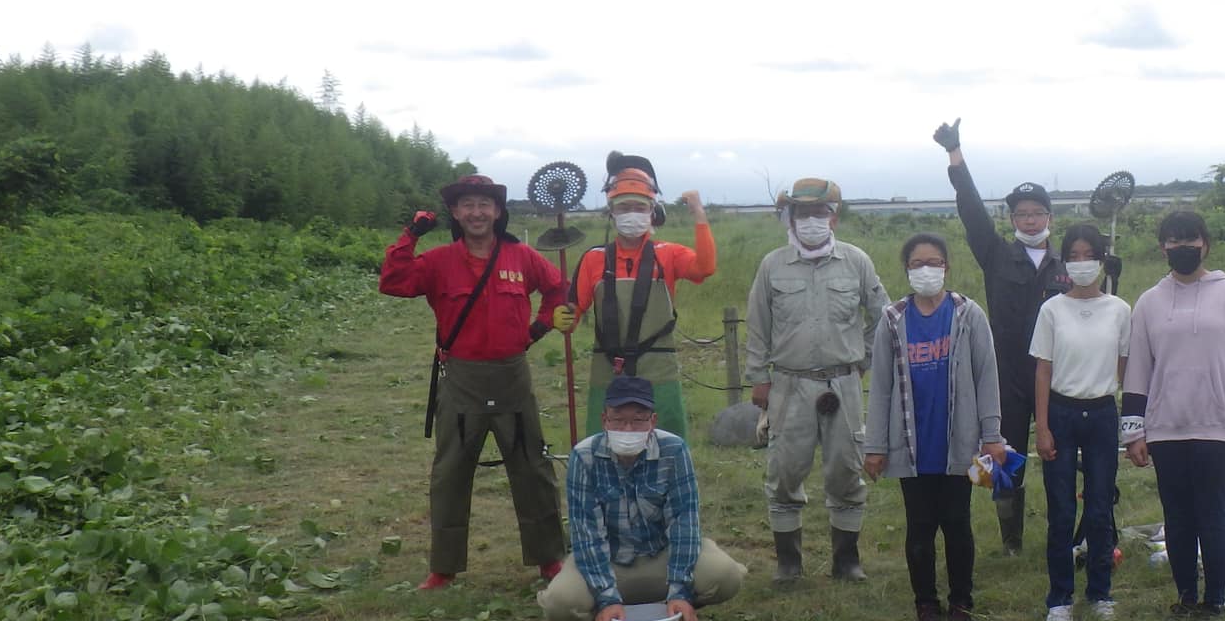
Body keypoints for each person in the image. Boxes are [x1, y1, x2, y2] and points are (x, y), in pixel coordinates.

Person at [379, 174, 576, 591]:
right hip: (462, 380)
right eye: (467, 204)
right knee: (450, 473)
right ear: (455, 212)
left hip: (512, 377)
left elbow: (560, 289)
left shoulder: (521, 257)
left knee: (533, 470)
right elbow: (393, 282)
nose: (477, 212)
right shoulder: (438, 261)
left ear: (498, 211)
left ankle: (549, 559)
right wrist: (411, 235)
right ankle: (444, 567)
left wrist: (539, 328)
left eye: (484, 204)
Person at [1121, 210, 1225, 618]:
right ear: (1162, 247)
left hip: (1218, 424)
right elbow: (1138, 369)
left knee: (1211, 512)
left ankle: (1216, 598)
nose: (1182, 247)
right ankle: (1186, 596)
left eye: (1190, 240)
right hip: (1165, 428)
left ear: (1205, 244)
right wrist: (1134, 431)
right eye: (1174, 240)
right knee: (1178, 516)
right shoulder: (1149, 303)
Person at [934, 118, 1071, 555]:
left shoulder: (1068, 264)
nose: (1030, 220)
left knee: (1061, 455)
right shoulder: (995, 254)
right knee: (1004, 457)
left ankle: (1064, 532)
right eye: (1022, 214)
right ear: (1012, 219)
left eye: (1037, 213)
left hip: (1057, 375)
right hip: (1006, 376)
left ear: (1050, 218)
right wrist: (955, 155)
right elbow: (971, 210)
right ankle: (1011, 540)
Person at [744, 177, 891, 583]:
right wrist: (758, 377)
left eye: (819, 212)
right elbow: (757, 324)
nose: (811, 220)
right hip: (788, 383)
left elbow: (883, 315)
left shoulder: (857, 261)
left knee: (846, 468)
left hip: (843, 383)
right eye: (803, 213)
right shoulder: (773, 265)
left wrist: (863, 358)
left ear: (833, 217)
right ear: (791, 218)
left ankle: (847, 561)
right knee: (785, 471)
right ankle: (788, 563)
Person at [865, 233, 1005, 621]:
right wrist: (875, 445)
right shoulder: (892, 319)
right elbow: (881, 386)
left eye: (934, 262)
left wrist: (992, 434)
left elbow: (986, 376)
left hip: (959, 441)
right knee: (920, 526)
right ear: (906, 269)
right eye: (917, 263)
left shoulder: (968, 314)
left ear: (946, 267)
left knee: (958, 522)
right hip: (911, 443)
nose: (926, 270)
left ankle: (961, 602)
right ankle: (925, 604)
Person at [538, 377, 748, 621]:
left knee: (726, 576)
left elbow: (684, 522)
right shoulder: (584, 456)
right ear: (604, 420)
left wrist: (680, 590)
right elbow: (587, 535)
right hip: (610, 561)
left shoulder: (674, 450)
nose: (628, 429)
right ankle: (607, 620)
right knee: (559, 603)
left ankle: (675, 613)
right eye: (618, 420)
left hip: (661, 556)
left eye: (638, 420)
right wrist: (606, 597)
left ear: (653, 421)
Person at [1030, 223, 1131, 621]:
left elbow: (1124, 367)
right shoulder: (1052, 309)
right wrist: (1042, 426)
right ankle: (1060, 598)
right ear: (1064, 262)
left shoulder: (1119, 310)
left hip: (1102, 413)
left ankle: (1100, 591)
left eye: (1089, 255)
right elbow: (1043, 370)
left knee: (1100, 507)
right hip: (1061, 413)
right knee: (1061, 509)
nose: (1081, 263)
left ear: (1102, 260)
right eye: (1073, 256)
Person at [571, 155, 716, 438]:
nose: (632, 213)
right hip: (607, 369)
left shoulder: (669, 254)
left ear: (653, 212)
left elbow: (705, 267)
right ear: (611, 213)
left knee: (665, 440)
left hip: (658, 369)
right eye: (624, 207)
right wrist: (563, 317)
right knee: (605, 440)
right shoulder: (593, 259)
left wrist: (699, 213)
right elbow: (573, 310)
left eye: (640, 207)